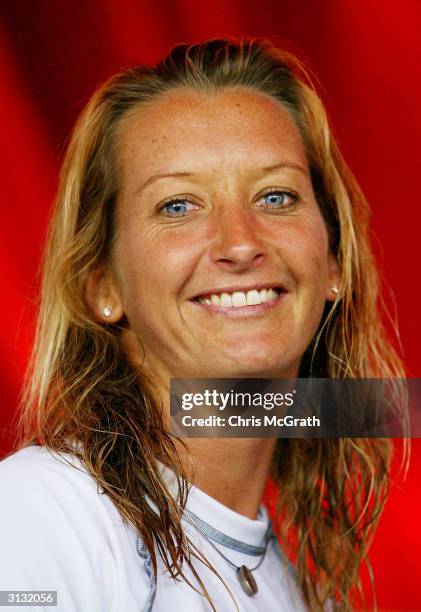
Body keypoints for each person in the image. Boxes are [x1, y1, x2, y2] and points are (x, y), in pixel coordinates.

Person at [0, 38, 405, 611]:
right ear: (103, 285)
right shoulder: (41, 514)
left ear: (334, 263)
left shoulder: (292, 587)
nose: (240, 243)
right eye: (178, 206)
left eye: (275, 196)